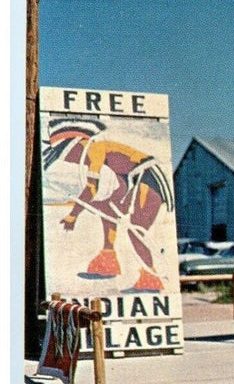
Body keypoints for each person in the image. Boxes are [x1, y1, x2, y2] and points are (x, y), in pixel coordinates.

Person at [43, 118, 174, 293]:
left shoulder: (95, 149)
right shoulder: (97, 154)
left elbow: (91, 187)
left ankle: (150, 279)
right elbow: (113, 185)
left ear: (75, 145)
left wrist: (73, 215)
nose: (70, 159)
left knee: (136, 229)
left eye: (67, 155)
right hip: (131, 180)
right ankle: (108, 261)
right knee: (105, 207)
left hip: (148, 178)